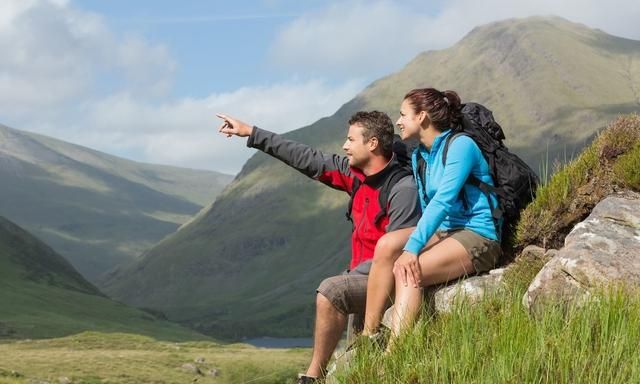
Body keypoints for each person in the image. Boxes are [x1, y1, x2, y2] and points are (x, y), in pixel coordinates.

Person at [216, 111, 420, 383]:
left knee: (331, 291)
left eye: (350, 140)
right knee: (361, 361)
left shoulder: (402, 188)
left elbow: (400, 252)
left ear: (372, 144)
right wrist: (252, 133)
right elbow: (306, 158)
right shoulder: (355, 175)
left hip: (385, 280)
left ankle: (314, 376)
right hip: (361, 276)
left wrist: (356, 275)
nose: (344, 146)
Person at [388, 88, 502, 340]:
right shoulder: (421, 155)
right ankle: (371, 332)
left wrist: (412, 249)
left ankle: (393, 353)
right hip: (448, 231)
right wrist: (411, 246)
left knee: (408, 270)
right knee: (388, 247)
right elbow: (428, 206)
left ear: (422, 117)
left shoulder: (461, 146)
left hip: (478, 233)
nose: (398, 121)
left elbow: (443, 200)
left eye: (403, 114)